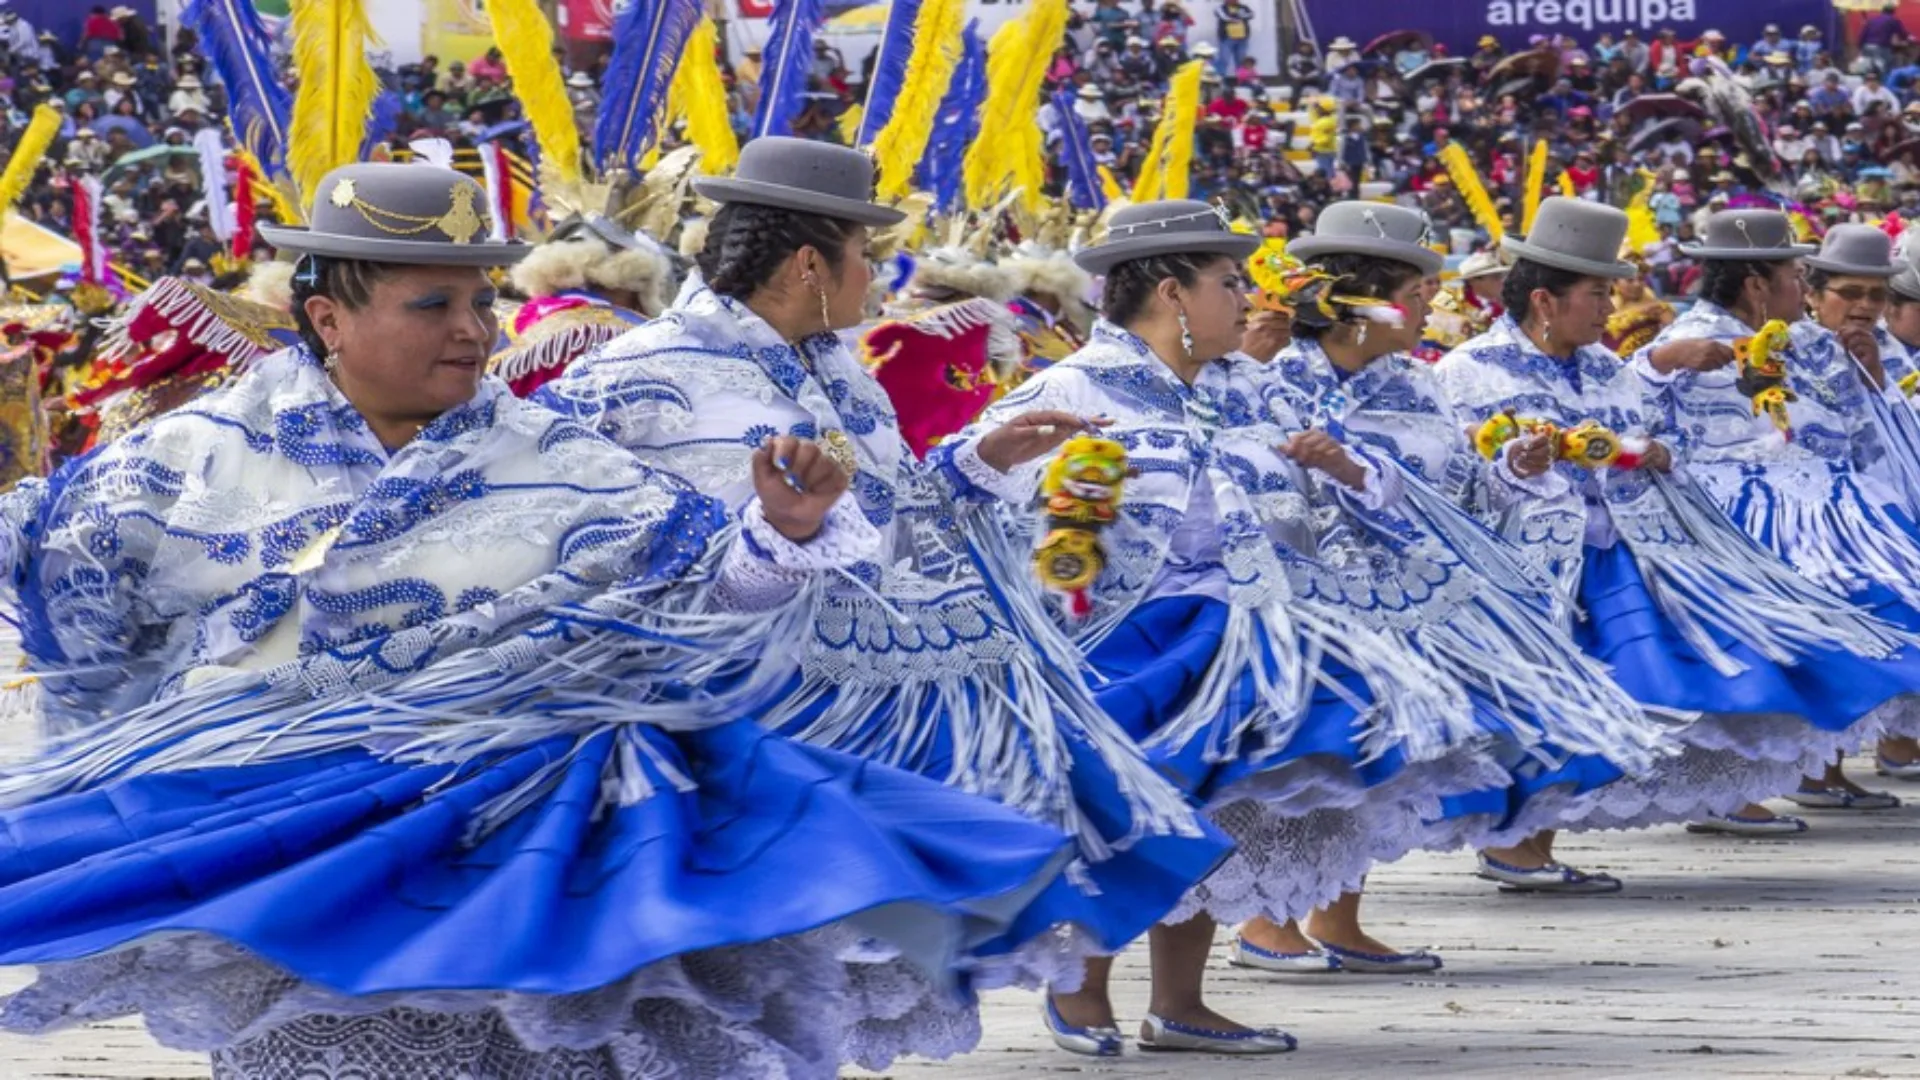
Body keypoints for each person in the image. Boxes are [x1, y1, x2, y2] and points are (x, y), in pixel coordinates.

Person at [0, 163, 1079, 1079]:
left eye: (483, 302)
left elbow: (697, 593)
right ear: (326, 315)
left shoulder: (554, 453)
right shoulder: (184, 463)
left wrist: (777, 539)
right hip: (305, 870)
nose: (476, 332)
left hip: (531, 864)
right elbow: (83, 625)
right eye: (435, 305)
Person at [537, 139, 1230, 1054]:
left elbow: (894, 520)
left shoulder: (838, 371)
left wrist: (986, 460)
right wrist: (773, 543)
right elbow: (613, 559)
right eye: (865, 251)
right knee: (715, 987)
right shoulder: (640, 376)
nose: (878, 272)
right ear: (808, 265)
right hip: (718, 732)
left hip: (855, 714)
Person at [939, 201, 1657, 1052]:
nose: (1246, 298)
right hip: (1127, 641)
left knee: (1231, 805)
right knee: (1133, 806)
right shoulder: (1071, 385)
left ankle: (1179, 999)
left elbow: (1360, 484)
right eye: (1228, 281)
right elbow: (951, 487)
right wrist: (997, 460)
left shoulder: (1254, 386)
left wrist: (1345, 467)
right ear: (1172, 292)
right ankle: (1082, 983)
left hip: (1256, 627)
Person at [1437, 198, 1920, 845]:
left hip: (1619, 554)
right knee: (1548, 702)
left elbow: (1650, 445)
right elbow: (1450, 482)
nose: (1610, 310)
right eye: (1598, 294)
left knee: (1689, 675)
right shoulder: (1466, 370)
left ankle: (1537, 843)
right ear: (1547, 301)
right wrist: (1515, 465)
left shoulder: (1610, 368)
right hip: (1525, 569)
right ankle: (1519, 844)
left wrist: (1652, 454)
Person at [1637, 214, 1920, 808]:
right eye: (1796, 276)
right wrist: (1656, 366)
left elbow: (1858, 435)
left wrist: (1872, 381)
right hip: (1735, 520)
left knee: (1869, 614)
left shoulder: (1817, 343)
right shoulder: (1686, 343)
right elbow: (1625, 418)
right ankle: (1739, 791)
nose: (1803, 287)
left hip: (1837, 511)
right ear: (1757, 285)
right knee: (1777, 641)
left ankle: (1823, 769)